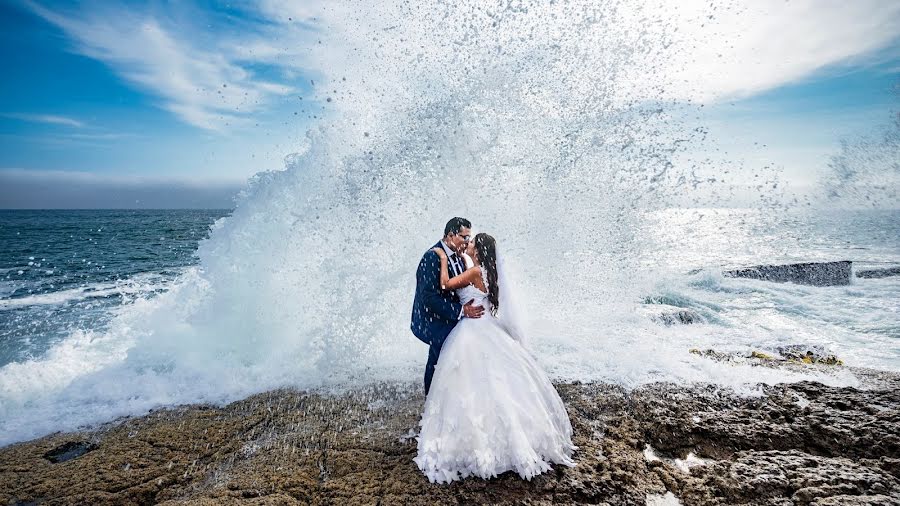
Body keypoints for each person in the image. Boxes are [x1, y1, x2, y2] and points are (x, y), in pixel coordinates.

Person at [414, 232, 576, 483]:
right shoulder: (487, 273)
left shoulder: (474, 272)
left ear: (478, 251)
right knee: (494, 381)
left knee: (470, 379)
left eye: (472, 243)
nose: (468, 245)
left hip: (472, 330)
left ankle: (474, 440)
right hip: (487, 327)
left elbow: (445, 284)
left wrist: (441, 258)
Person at [410, 217, 484, 395]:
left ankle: (454, 396)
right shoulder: (432, 257)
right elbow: (428, 297)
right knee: (439, 357)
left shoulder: (459, 257)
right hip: (432, 320)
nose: (467, 243)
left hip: (452, 317)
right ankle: (432, 402)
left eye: (469, 238)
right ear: (450, 235)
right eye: (464, 237)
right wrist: (461, 311)